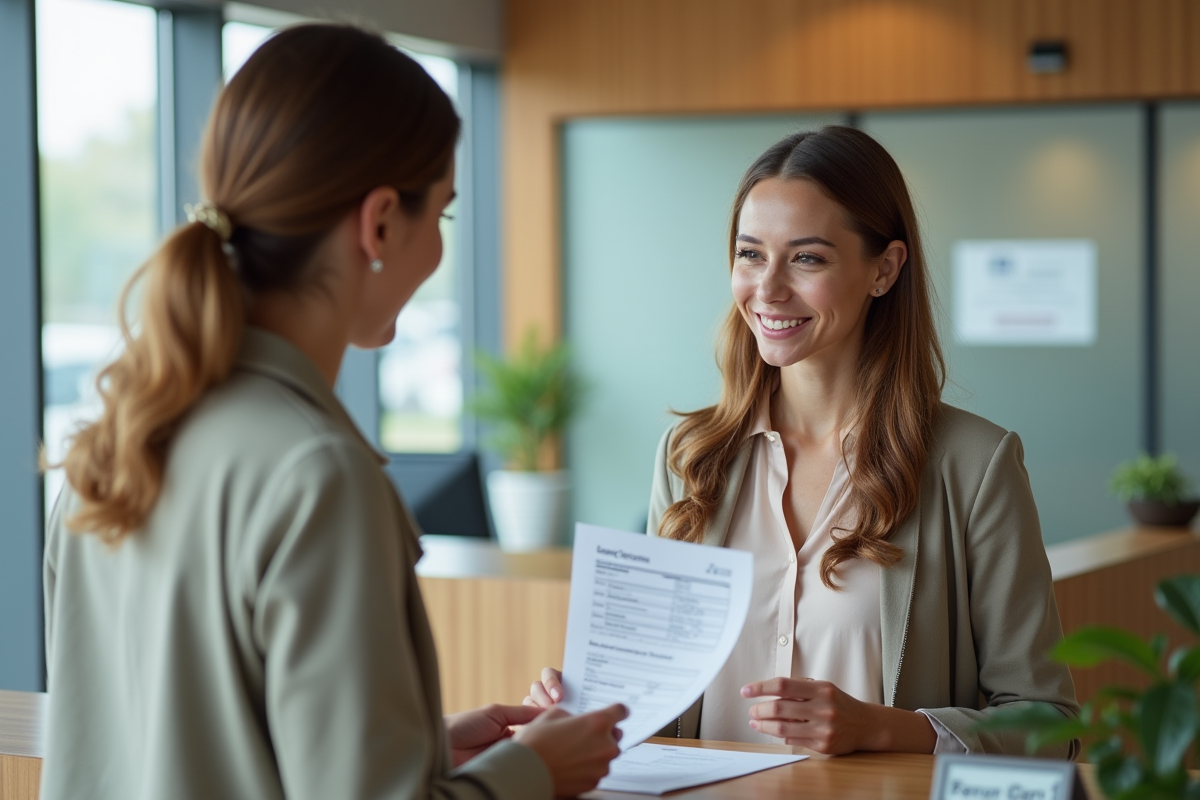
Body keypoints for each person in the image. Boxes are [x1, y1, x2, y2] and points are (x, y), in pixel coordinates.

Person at [41, 23, 626, 800]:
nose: (441, 248)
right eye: (443, 216)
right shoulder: (316, 474)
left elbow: (160, 748)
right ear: (380, 223)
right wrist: (533, 771)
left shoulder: (114, 443)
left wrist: (423, 750)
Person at [526, 126, 1078, 758]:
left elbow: (1050, 724)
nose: (768, 288)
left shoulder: (975, 465)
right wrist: (593, 706)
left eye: (807, 258)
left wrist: (883, 729)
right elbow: (662, 709)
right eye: (750, 254)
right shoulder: (689, 458)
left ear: (885, 269)